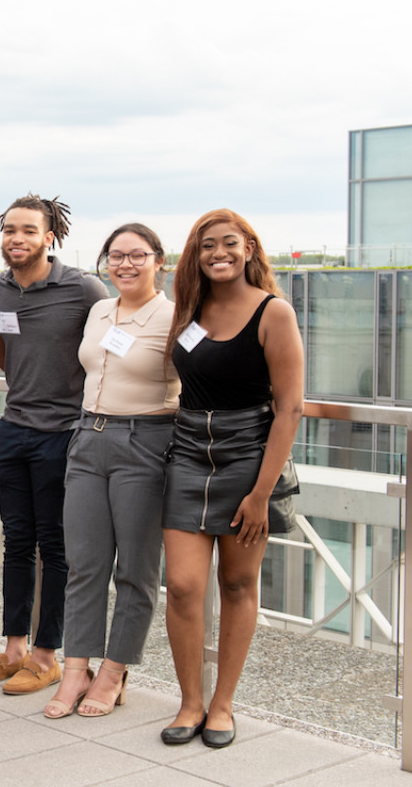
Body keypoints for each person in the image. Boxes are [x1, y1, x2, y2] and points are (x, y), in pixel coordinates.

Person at [159, 209, 303, 748]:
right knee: (182, 587)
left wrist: (262, 494)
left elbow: (289, 408)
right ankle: (189, 701)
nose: (218, 253)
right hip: (189, 453)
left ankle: (222, 705)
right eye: (206, 246)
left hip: (249, 459)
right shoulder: (189, 308)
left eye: (228, 244)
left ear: (249, 249)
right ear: (195, 257)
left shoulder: (274, 312)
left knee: (238, 584)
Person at [0, 194, 107, 695]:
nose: (17, 239)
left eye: (28, 230)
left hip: (63, 433)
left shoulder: (82, 287)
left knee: (56, 547)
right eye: (9, 230)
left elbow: (112, 339)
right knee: (16, 544)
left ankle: (48, 655)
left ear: (50, 236)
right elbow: (3, 352)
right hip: (12, 429)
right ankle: (14, 650)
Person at [42, 223, 180, 719]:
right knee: (84, 564)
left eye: (137, 255)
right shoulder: (101, 309)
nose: (125, 264)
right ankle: (75, 667)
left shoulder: (175, 316)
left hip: (145, 440)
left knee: (136, 569)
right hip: (88, 438)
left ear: (158, 260)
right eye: (116, 256)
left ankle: (114, 671)